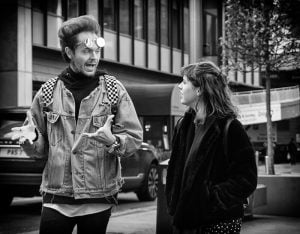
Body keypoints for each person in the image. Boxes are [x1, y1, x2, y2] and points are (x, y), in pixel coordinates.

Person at [11, 15, 143, 234]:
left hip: (98, 197)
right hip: (56, 197)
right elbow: (40, 151)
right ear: (69, 53)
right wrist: (33, 138)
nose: (93, 58)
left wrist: (114, 141)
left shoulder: (113, 90)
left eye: (97, 52)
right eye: (86, 51)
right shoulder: (47, 93)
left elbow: (134, 139)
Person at [165, 61, 257, 234]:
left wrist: (207, 200)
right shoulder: (183, 126)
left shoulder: (230, 127)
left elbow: (246, 179)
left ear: (199, 90)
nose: (179, 86)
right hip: (185, 222)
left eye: (184, 82)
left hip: (218, 222)